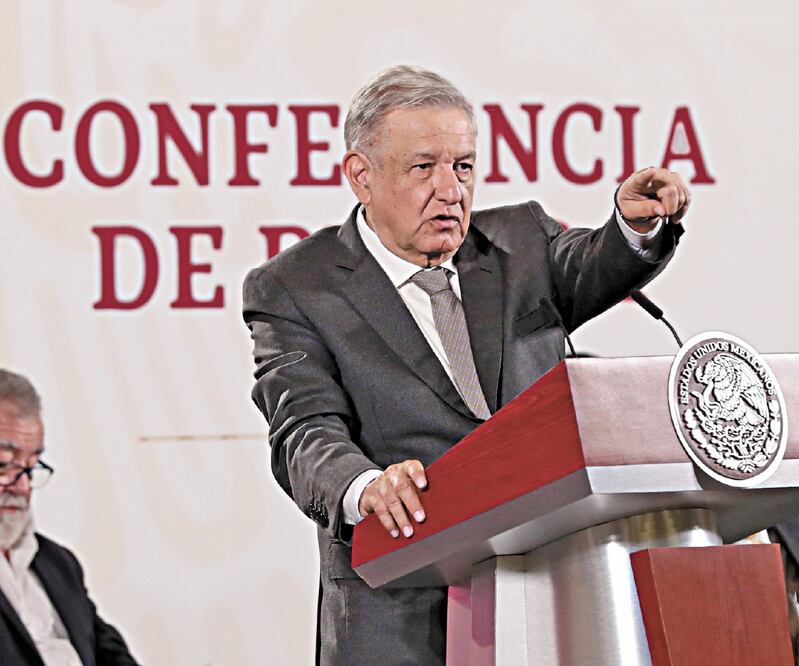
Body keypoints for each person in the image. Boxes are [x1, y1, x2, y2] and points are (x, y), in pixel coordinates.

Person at [242, 65, 691, 665]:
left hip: (556, 590)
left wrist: (633, 227)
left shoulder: (519, 243)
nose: (451, 190)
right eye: (423, 167)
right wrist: (366, 487)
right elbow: (304, 429)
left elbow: (594, 265)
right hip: (402, 608)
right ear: (361, 177)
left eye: (463, 166)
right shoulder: (297, 286)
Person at [0, 369, 139, 665]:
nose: (22, 487)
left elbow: (110, 654)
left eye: (31, 466)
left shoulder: (57, 562)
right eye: (4, 465)